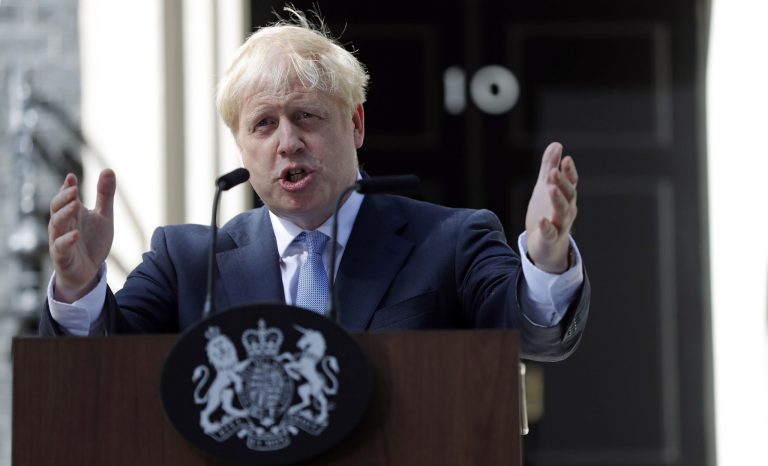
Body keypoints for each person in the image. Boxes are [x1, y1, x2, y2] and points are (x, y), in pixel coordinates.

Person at [40, 8, 590, 361]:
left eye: (306, 116)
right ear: (240, 148)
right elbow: (99, 368)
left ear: (356, 124)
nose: (288, 142)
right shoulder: (184, 262)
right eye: (263, 124)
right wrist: (79, 287)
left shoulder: (451, 241)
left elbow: (532, 336)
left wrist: (545, 260)